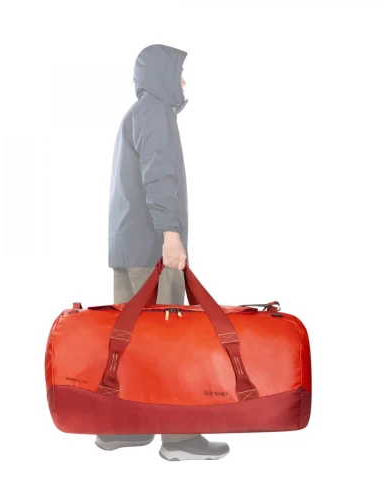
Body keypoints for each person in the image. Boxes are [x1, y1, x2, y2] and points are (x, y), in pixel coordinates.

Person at [95, 44, 230, 461]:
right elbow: (158, 175)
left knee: (133, 342)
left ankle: (125, 429)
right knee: (171, 343)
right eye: (178, 73)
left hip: (127, 247)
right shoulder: (155, 113)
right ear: (162, 76)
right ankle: (178, 439)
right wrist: (171, 234)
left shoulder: (135, 114)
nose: (184, 81)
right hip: (153, 248)